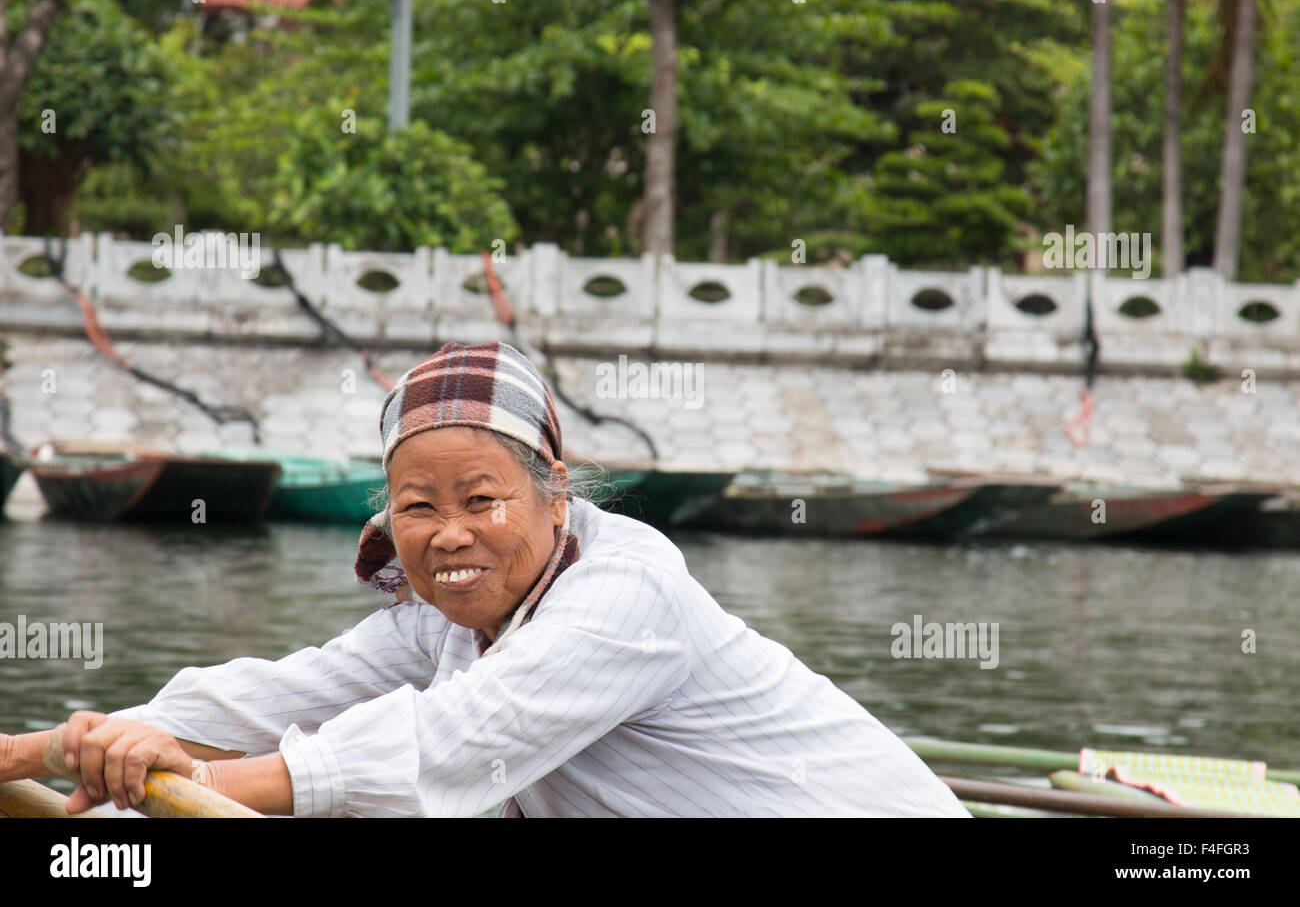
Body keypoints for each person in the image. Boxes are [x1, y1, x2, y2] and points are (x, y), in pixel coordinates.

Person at [0, 341, 969, 817]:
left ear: (554, 494)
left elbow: (452, 742)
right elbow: (285, 690)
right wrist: (45, 746)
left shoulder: (628, 591)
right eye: (417, 507)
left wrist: (196, 782)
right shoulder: (445, 615)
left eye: (481, 498)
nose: (448, 534)